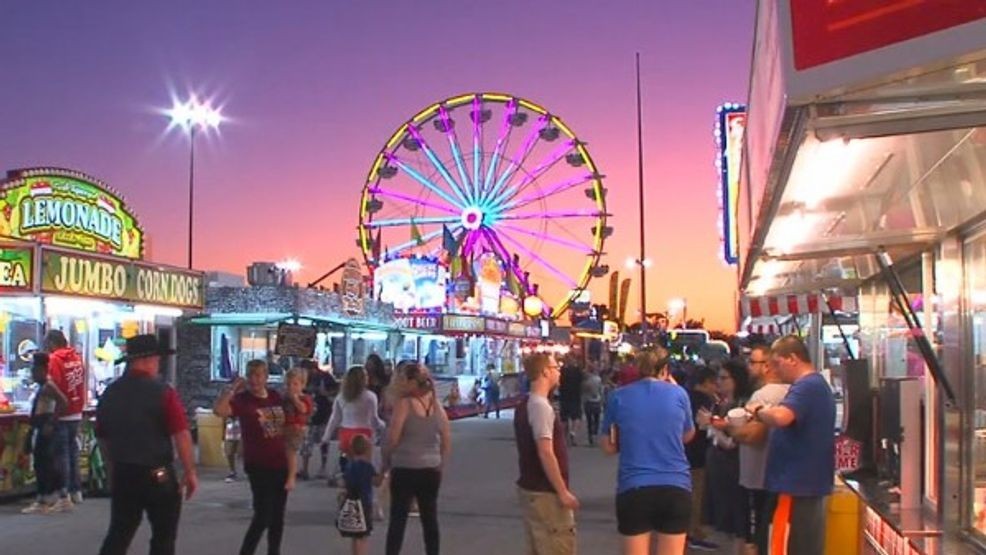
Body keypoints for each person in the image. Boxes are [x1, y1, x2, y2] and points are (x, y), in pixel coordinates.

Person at [96, 334, 197, 555]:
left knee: (119, 533)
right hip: (156, 473)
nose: (158, 365)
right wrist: (189, 471)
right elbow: (181, 434)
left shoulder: (110, 393)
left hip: (124, 471)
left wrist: (112, 469)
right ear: (148, 359)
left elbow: (102, 437)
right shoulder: (163, 392)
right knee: (163, 536)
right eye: (157, 360)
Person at [600, 347, 695, 555]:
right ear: (666, 369)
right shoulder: (679, 394)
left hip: (634, 487)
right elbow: (688, 435)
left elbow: (607, 446)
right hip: (676, 486)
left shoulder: (618, 396)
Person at [747, 336, 835, 555]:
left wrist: (758, 410)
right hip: (801, 483)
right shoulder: (812, 386)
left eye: (777, 363)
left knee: (788, 546)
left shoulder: (808, 386)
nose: (774, 371)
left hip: (798, 485)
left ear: (793, 359)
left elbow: (782, 417)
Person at [214, 360, 289, 555]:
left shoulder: (274, 396)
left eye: (258, 375)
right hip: (258, 463)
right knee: (263, 514)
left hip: (280, 461)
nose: (254, 380)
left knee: (278, 516)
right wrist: (232, 389)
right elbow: (220, 411)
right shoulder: (243, 400)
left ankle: (274, 551)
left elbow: (288, 425)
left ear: (265, 377)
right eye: (251, 375)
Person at [382, 362, 451, 555]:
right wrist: (441, 464)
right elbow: (446, 437)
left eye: (403, 380)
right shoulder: (435, 404)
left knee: (398, 519)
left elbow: (393, 437)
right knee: (430, 519)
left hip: (405, 467)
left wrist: (385, 460)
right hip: (430, 469)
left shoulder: (404, 404)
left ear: (412, 382)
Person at [514, 353, 579, 555]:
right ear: (544, 372)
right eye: (555, 368)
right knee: (557, 545)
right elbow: (545, 452)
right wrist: (562, 491)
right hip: (546, 493)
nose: (559, 372)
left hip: (532, 488)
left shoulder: (525, 405)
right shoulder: (541, 407)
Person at [727, 344, 788, 553]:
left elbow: (753, 436)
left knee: (758, 536)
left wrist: (731, 429)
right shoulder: (790, 392)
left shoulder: (762, 396)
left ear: (768, 366)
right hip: (777, 475)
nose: (748, 366)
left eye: (753, 362)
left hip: (758, 476)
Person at [701, 359, 753, 554]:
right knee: (725, 518)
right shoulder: (720, 403)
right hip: (717, 463)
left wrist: (713, 425)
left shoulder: (741, 405)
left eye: (724, 378)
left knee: (737, 517)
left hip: (733, 466)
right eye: (718, 378)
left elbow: (733, 442)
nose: (719, 382)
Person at [22, 352, 68, 514]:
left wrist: (51, 422)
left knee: (44, 464)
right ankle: (59, 496)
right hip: (41, 425)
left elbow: (63, 402)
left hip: (45, 425)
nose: (32, 374)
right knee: (46, 463)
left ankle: (45, 498)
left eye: (34, 370)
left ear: (42, 369)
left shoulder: (48, 386)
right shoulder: (43, 386)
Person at [45, 329, 87, 505]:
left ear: (53, 343)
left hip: (61, 413)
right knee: (73, 453)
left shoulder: (55, 360)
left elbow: (53, 385)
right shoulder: (77, 358)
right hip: (77, 411)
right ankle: (76, 491)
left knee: (62, 455)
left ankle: (64, 493)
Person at [322, 366, 386, 476]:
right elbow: (373, 419)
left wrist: (326, 436)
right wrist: (382, 425)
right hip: (364, 433)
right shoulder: (370, 397)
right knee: (364, 466)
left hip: (346, 432)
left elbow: (335, 418)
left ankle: (347, 483)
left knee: (349, 464)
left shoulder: (341, 397)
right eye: (365, 376)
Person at [684, 366, 719, 551]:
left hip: (683, 452)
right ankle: (693, 532)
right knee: (696, 494)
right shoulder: (705, 400)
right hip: (698, 453)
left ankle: (689, 531)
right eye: (714, 383)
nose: (716, 387)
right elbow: (705, 427)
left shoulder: (684, 397)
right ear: (705, 383)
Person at [340, 434, 385, 555]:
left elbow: (344, 483)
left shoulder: (349, 466)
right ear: (367, 450)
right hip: (364, 503)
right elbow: (376, 482)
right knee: (363, 536)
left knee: (355, 535)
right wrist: (383, 471)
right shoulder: (367, 467)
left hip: (351, 501)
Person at [302, 359, 337, 479]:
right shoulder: (304, 379)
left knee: (323, 441)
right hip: (309, 415)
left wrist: (325, 393)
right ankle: (305, 469)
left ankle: (323, 467)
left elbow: (335, 390)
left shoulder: (325, 377)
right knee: (307, 442)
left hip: (323, 413)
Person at [282, 367, 313, 491]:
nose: (291, 387)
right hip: (285, 427)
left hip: (297, 428)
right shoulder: (285, 397)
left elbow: (304, 409)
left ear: (302, 385)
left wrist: (295, 399)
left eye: (295, 384)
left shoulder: (304, 398)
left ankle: (291, 477)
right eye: (288, 384)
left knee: (291, 452)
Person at [558, 358, 584, 446]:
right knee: (576, 417)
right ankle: (573, 432)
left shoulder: (562, 371)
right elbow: (582, 381)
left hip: (564, 397)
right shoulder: (578, 371)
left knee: (564, 418)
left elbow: (558, 382)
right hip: (575, 397)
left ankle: (564, 438)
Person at [582, 365, 603, 445]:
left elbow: (583, 392)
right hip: (597, 401)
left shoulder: (585, 381)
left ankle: (590, 435)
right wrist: (602, 400)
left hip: (588, 401)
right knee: (597, 419)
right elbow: (600, 390)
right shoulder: (598, 379)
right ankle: (595, 433)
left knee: (589, 421)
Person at [224, 416, 242, 483]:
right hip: (230, 427)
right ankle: (232, 472)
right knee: (229, 452)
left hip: (243, 425)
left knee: (241, 452)